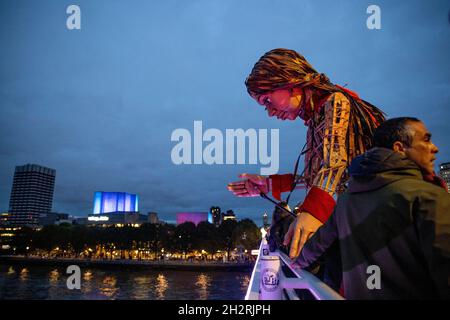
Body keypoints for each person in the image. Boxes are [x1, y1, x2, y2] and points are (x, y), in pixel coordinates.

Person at [227, 49, 385, 259]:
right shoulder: (316, 117)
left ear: (290, 80)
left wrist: (313, 212)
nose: (270, 112)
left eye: (267, 100)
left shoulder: (335, 101)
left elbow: (334, 166)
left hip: (375, 221)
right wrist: (269, 184)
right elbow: (316, 175)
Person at [296, 117, 450, 299]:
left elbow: (316, 246)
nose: (434, 147)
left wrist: (296, 263)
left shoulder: (346, 201)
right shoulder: (428, 197)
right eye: (425, 139)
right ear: (399, 148)